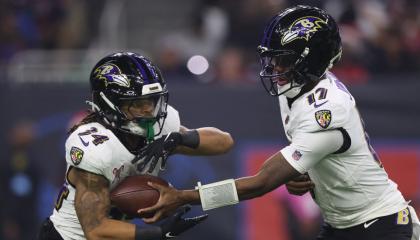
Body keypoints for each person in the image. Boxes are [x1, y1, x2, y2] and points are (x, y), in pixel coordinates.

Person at [136, 5, 420, 240]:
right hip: (343, 225)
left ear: (312, 59)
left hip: (381, 227)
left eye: (283, 59)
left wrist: (183, 196)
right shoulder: (299, 85)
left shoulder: (327, 110)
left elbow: (260, 183)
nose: (275, 68)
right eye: (273, 59)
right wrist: (307, 172)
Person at [37, 51, 234, 240]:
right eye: (137, 103)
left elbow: (224, 142)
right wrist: (159, 233)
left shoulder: (158, 126)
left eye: (151, 100)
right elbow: (95, 231)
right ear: (107, 103)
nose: (148, 110)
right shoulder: (94, 148)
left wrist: (180, 138)